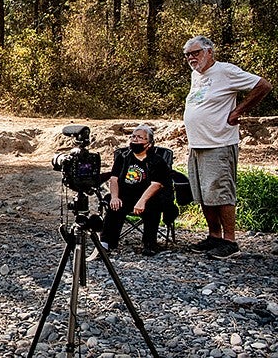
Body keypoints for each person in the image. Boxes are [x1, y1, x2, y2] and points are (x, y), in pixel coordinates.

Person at [182, 35, 272, 259]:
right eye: (188, 55)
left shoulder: (226, 71)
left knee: (220, 192)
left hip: (219, 142)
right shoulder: (196, 75)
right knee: (203, 193)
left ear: (209, 51)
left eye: (196, 52)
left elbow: (263, 85)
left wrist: (238, 111)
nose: (192, 58)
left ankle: (230, 241)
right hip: (197, 143)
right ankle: (214, 236)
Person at [98, 125, 170, 257]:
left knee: (153, 204)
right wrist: (115, 197)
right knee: (112, 202)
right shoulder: (123, 157)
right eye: (133, 137)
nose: (135, 140)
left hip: (148, 196)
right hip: (126, 195)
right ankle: (106, 243)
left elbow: (156, 185)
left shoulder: (157, 161)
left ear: (149, 144)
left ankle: (149, 243)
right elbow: (114, 179)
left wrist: (142, 201)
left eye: (140, 138)